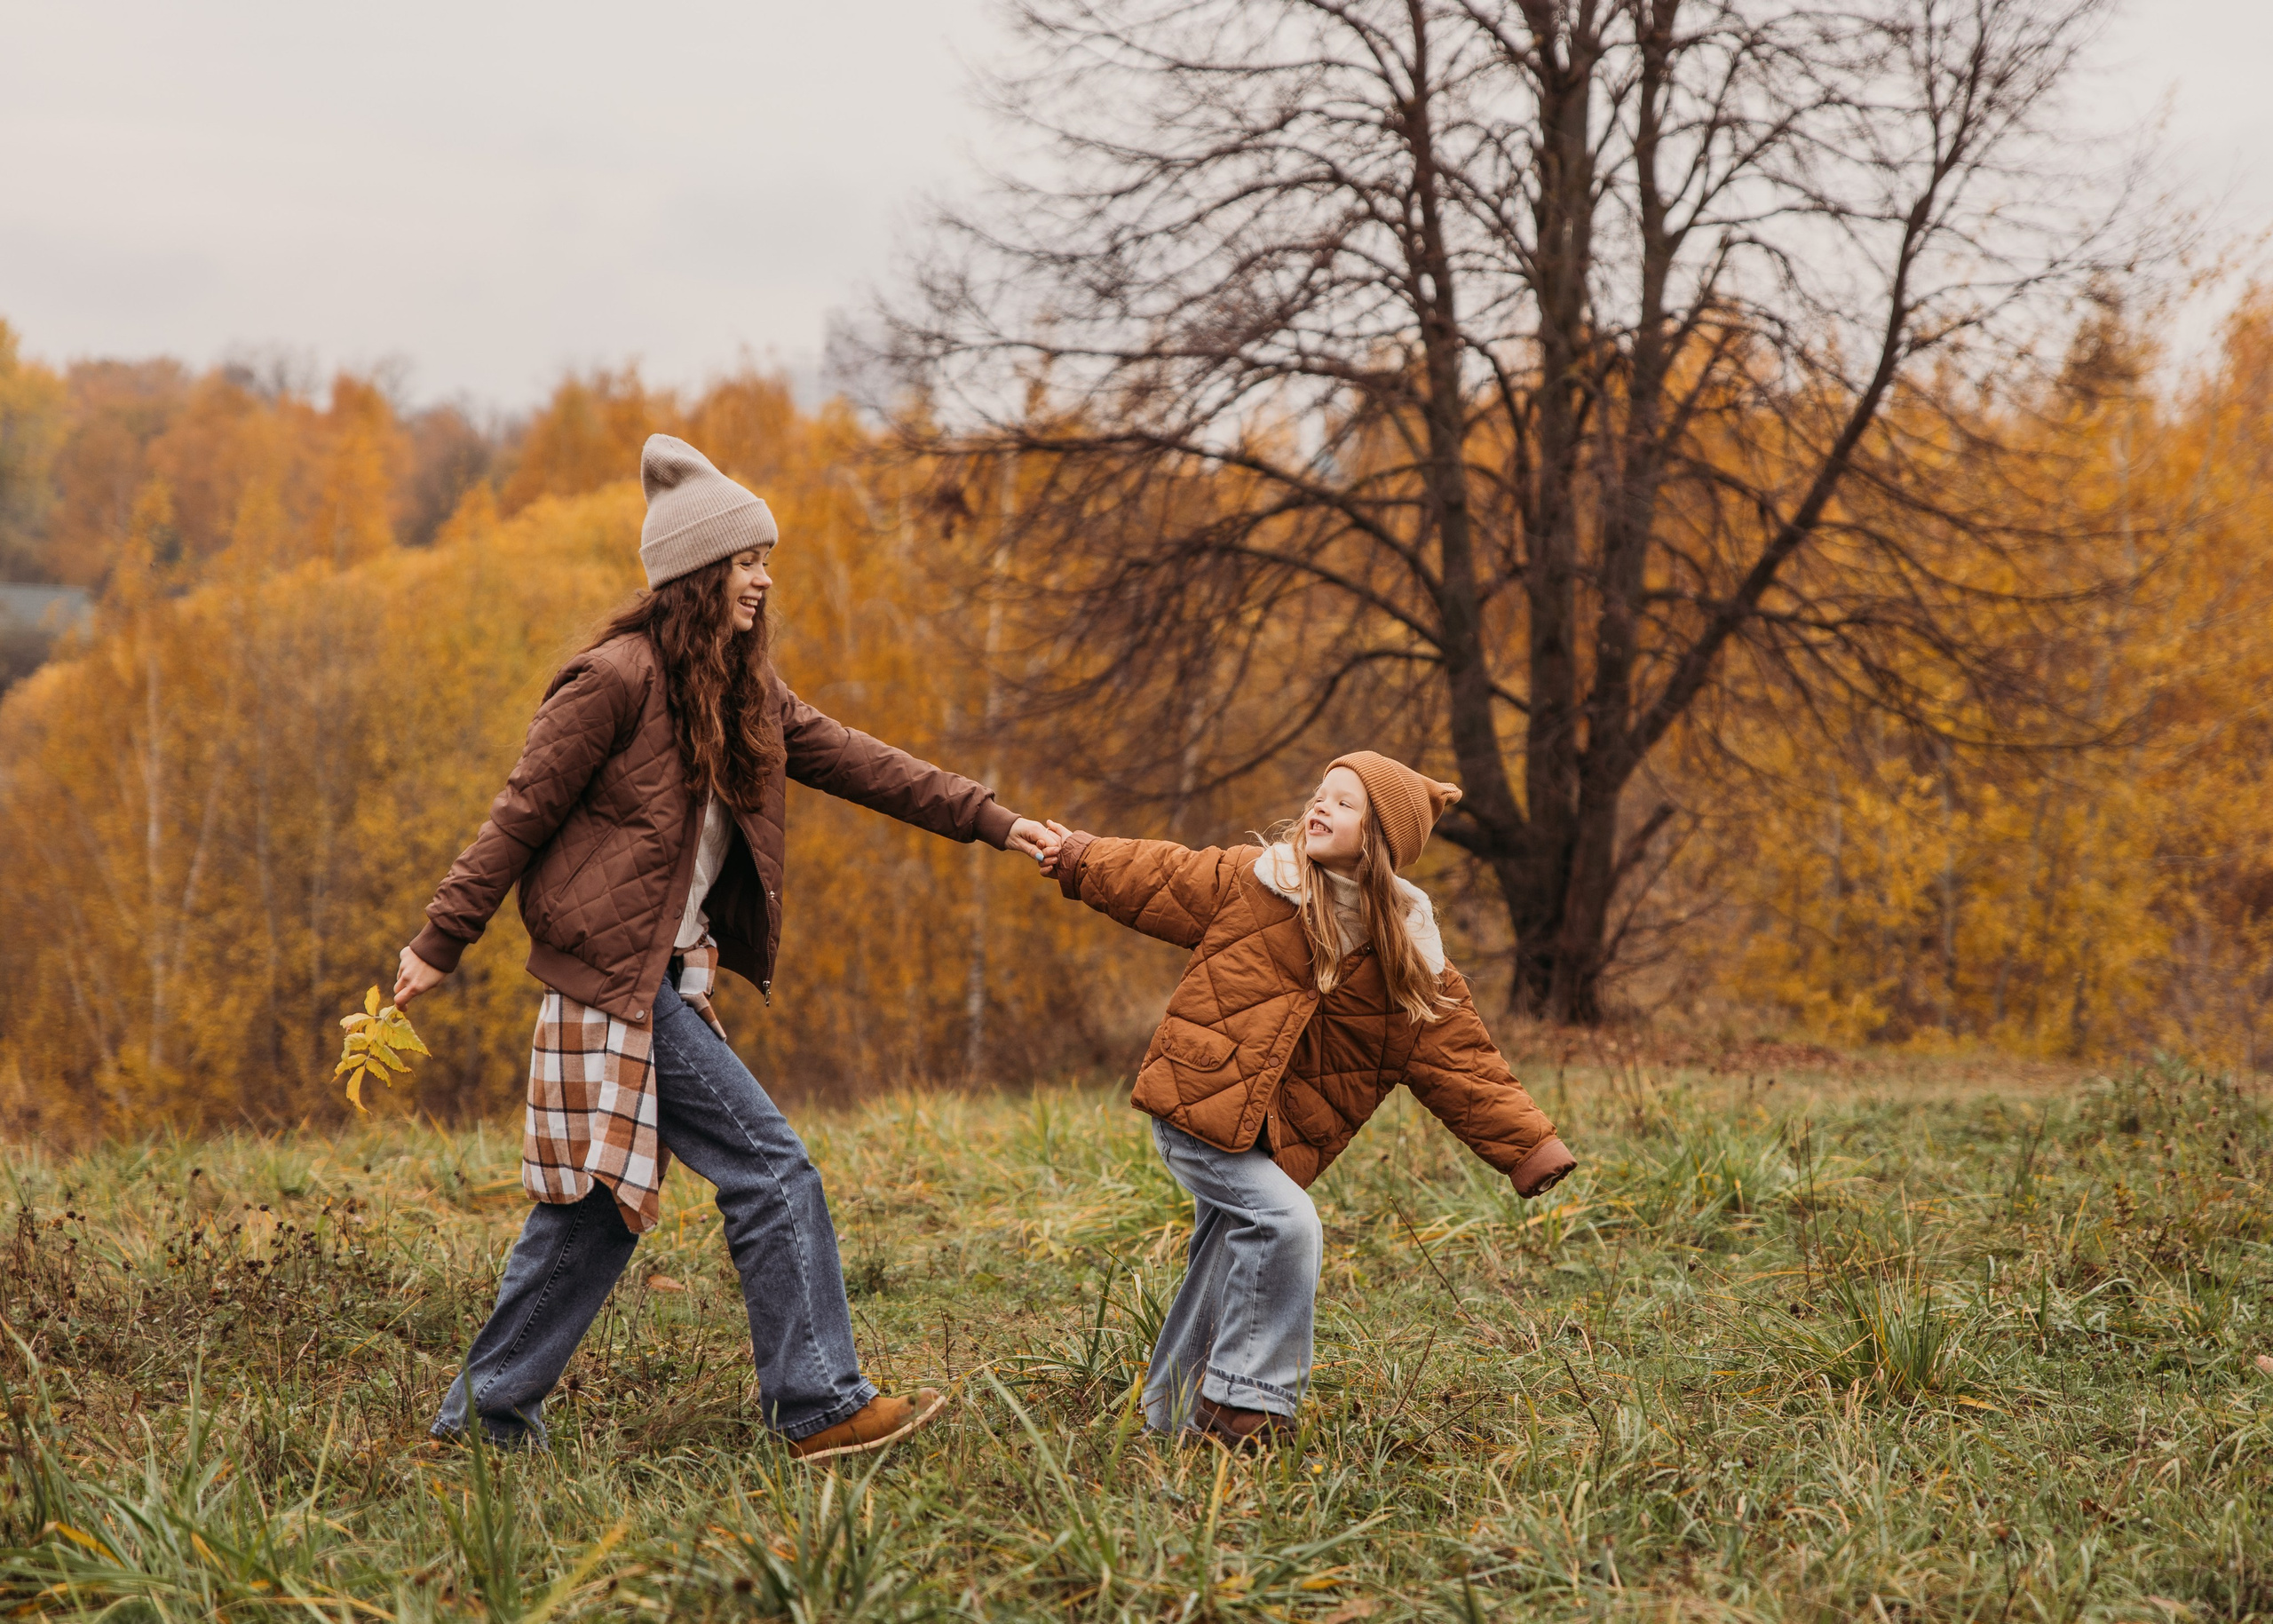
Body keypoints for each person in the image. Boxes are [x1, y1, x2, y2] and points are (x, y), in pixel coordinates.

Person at [395, 434, 1057, 1462]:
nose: (763, 578)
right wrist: (441, 939)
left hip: (661, 977)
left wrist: (995, 820)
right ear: (699, 571)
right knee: (773, 1169)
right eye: (747, 560)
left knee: (596, 1213)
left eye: (765, 560)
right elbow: (518, 815)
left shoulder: (743, 694)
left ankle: (477, 1424)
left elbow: (866, 764)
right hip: (613, 984)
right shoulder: (611, 679)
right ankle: (821, 1403)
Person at [1037, 752, 1575, 1446]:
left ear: (1379, 838)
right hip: (1198, 1102)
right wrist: (1078, 856)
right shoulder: (1257, 881)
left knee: (1225, 1257)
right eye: (1321, 794)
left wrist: (1531, 1148)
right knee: (1286, 1223)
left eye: (1345, 803)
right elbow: (1159, 874)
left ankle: (1168, 1418)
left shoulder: (1410, 958)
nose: (1321, 806)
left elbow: (1464, 1063)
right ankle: (1246, 1404)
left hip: (1274, 1136)